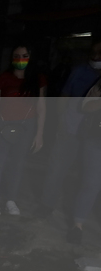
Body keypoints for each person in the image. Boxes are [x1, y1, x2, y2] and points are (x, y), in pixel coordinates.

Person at [36, 38, 101, 219]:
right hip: (71, 129)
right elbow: (64, 96)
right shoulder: (79, 71)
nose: (96, 56)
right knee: (56, 169)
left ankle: (81, 214)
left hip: (94, 136)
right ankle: (46, 205)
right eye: (93, 52)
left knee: (90, 178)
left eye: (100, 53)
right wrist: (61, 121)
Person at [0, 43, 46, 216]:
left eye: (24, 56)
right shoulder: (4, 78)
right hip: (3, 125)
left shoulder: (37, 79)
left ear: (30, 57)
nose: (20, 60)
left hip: (27, 126)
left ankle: (11, 200)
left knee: (18, 165)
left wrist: (40, 134)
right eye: (17, 56)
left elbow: (41, 107)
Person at [66, 80, 101, 244]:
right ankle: (77, 227)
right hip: (95, 140)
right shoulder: (98, 85)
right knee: (90, 184)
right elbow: (85, 106)